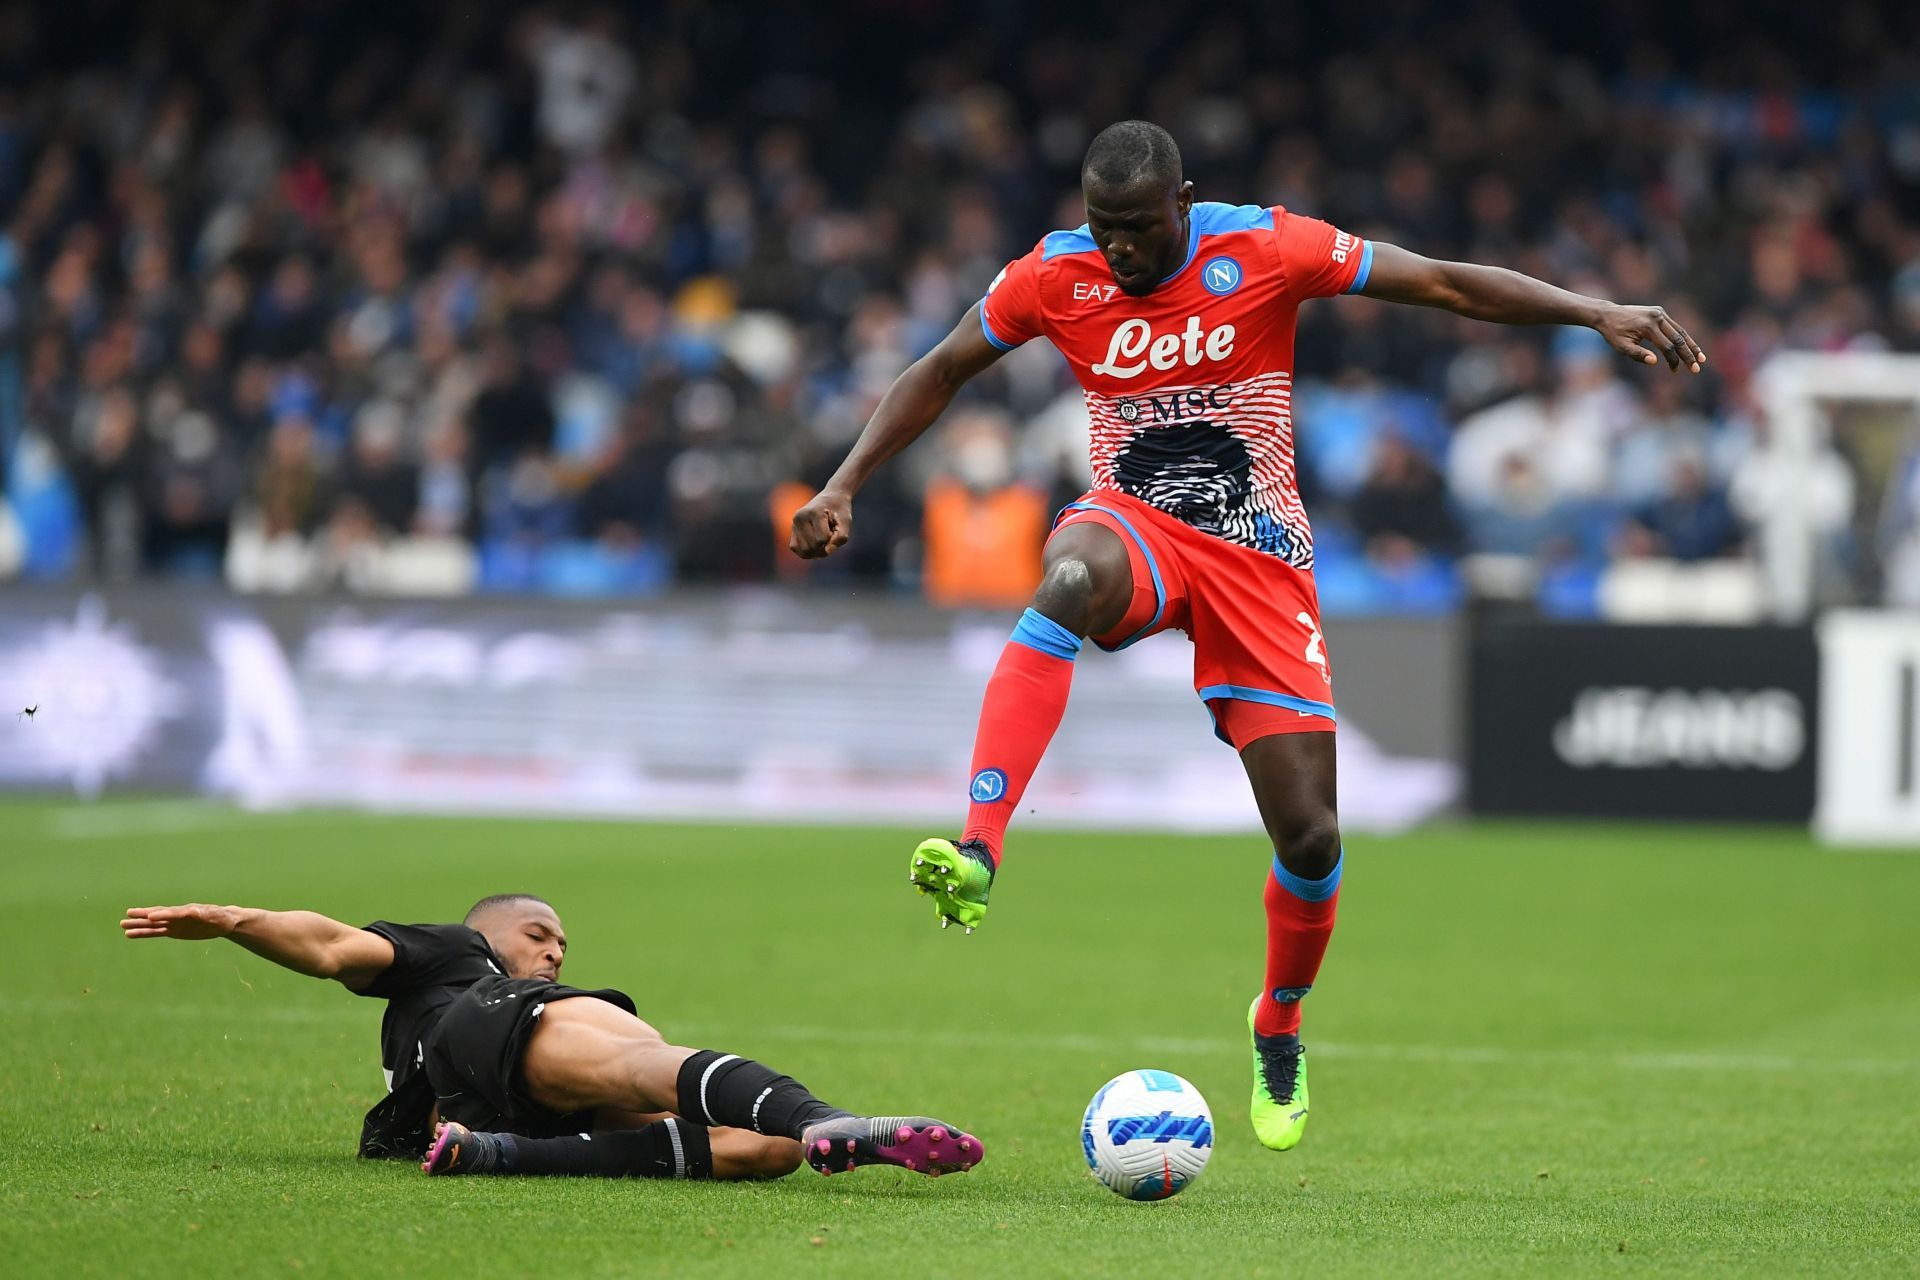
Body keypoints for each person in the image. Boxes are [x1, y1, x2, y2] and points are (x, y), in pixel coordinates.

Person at [789, 119, 1705, 1155]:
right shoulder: (1056, 274)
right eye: (1105, 229)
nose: (1122, 251)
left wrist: (1596, 312)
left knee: (1310, 834)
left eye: (1138, 229)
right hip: (1137, 521)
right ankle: (979, 848)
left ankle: (1278, 1016)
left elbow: (1444, 283)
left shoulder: (1266, 248)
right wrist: (842, 481)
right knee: (1068, 576)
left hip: (1260, 558)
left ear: (1185, 200)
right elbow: (942, 367)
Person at [119, 894, 981, 1181]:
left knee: (766, 1152)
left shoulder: (526, 995)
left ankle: (494, 1154)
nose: (555, 947)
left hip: (473, 1110)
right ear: (490, 931)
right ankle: (827, 1115)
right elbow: (331, 944)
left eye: (562, 942)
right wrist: (233, 919)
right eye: (539, 932)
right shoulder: (459, 958)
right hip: (472, 1050)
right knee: (646, 1062)